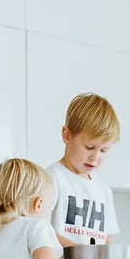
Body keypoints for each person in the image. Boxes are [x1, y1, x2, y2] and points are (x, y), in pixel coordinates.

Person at [47, 93, 121, 247]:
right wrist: (80, 251)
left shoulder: (104, 191)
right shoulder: (51, 179)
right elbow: (39, 230)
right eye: (90, 147)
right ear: (67, 136)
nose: (95, 157)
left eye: (104, 150)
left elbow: (106, 239)